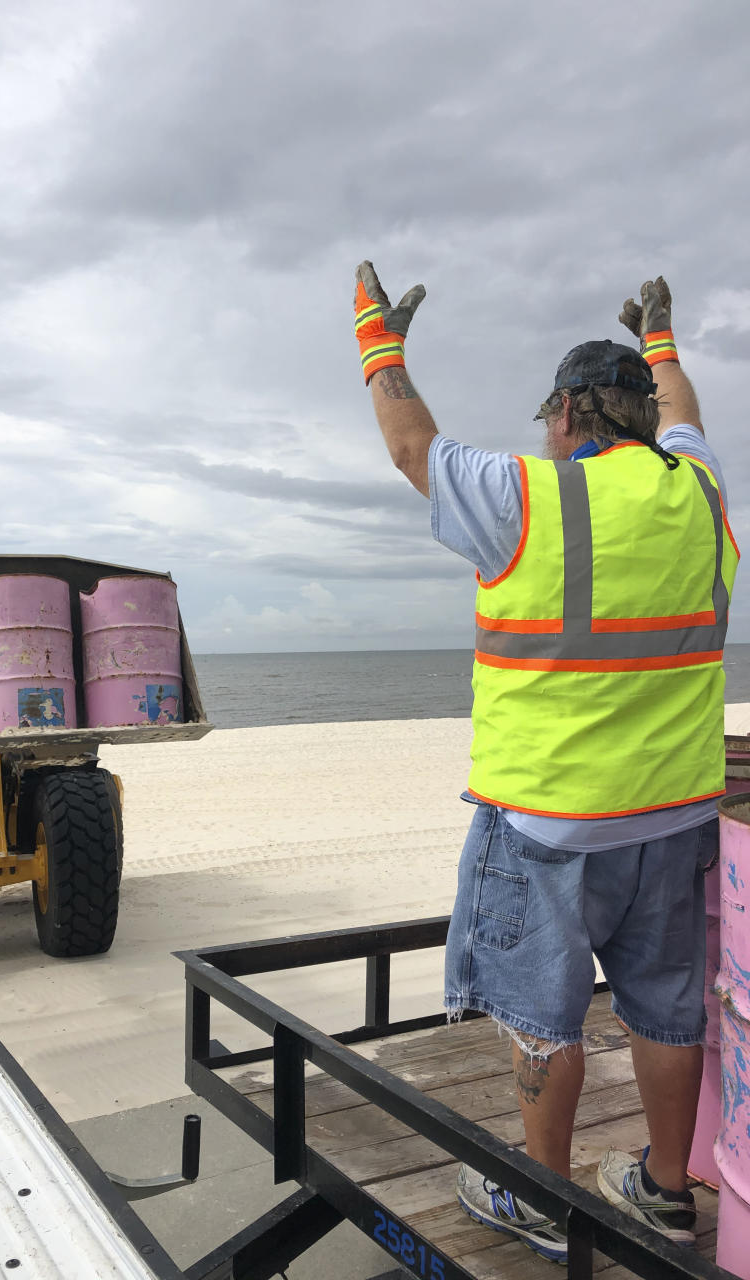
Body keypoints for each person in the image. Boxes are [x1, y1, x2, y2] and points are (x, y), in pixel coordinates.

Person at [355, 264, 738, 1264]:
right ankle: (664, 1187)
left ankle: (536, 1192)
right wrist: (664, 342)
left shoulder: (528, 495)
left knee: (540, 1014)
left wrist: (377, 342)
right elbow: (685, 414)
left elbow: (409, 443)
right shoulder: (698, 493)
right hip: (673, 819)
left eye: (547, 416)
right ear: (647, 419)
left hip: (547, 825)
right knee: (664, 1006)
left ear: (566, 409)